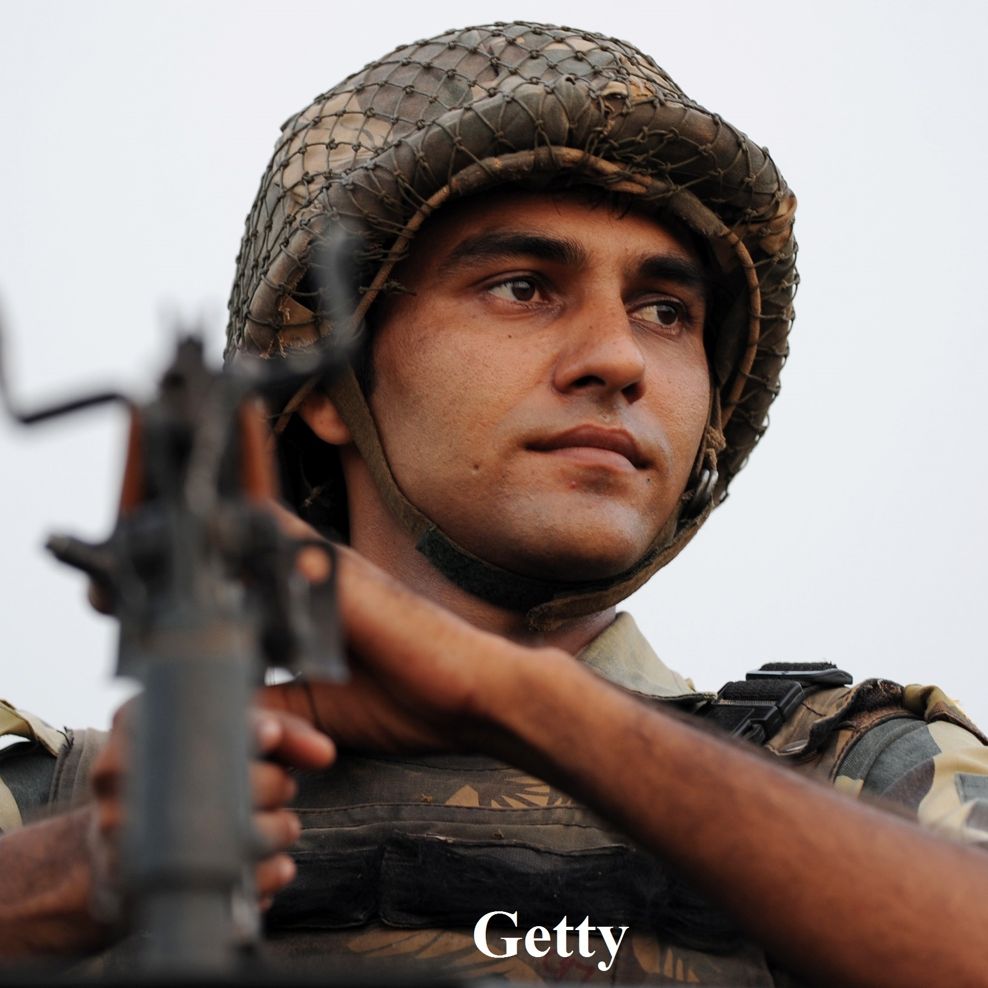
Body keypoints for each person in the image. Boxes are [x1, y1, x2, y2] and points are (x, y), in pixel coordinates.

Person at [2, 20, 988, 986]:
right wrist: (65, 876)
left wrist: (519, 701)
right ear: (325, 384)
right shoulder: (50, 809)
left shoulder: (861, 774)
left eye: (665, 311)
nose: (618, 358)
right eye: (522, 287)